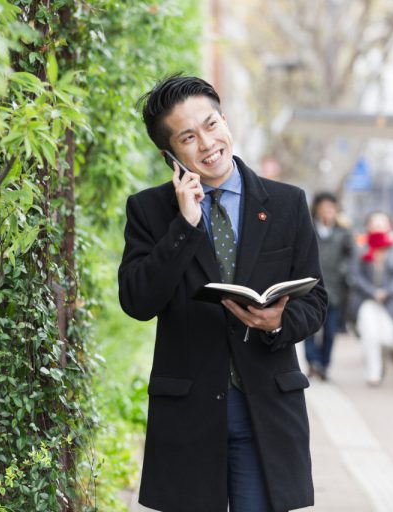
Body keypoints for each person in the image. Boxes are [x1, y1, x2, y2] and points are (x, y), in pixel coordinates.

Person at [118, 75, 327, 512]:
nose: (207, 143)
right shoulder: (150, 211)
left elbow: (316, 301)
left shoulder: (287, 203)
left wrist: (278, 322)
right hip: (189, 417)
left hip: (266, 412)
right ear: (169, 154)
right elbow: (138, 301)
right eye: (188, 137)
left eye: (212, 125)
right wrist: (185, 225)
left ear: (225, 121)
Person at [348, 212, 393, 386]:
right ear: (369, 226)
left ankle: (380, 364)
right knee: (370, 335)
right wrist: (373, 292)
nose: (379, 226)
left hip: (389, 302)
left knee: (387, 338)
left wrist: (387, 292)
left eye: (383, 223)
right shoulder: (361, 248)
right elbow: (355, 275)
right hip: (366, 300)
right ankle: (373, 374)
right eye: (375, 223)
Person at [304, 192, 353, 381]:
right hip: (310, 289)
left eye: (332, 208)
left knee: (330, 332)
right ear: (317, 209)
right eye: (324, 207)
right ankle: (312, 362)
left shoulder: (343, 232)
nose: (328, 211)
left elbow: (351, 256)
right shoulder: (308, 229)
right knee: (309, 329)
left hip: (335, 291)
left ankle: (324, 365)